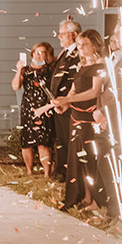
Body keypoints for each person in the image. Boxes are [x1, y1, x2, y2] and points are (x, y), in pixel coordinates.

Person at [53, 29, 109, 211]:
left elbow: (94, 91)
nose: (81, 48)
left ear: (95, 44)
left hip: (89, 115)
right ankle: (85, 195)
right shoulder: (81, 64)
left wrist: (68, 99)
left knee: (89, 158)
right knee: (78, 158)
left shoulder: (100, 64)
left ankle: (96, 200)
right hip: (75, 114)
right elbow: (74, 89)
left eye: (85, 44)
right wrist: (65, 103)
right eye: (78, 44)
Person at [11, 42, 55, 176]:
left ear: (47, 55)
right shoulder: (26, 70)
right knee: (27, 142)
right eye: (36, 52)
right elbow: (15, 86)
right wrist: (19, 70)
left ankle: (47, 173)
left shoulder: (50, 69)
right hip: (28, 108)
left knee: (43, 142)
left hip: (44, 108)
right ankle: (29, 171)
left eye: (41, 52)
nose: (38, 54)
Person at [49, 17, 81, 180]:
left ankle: (71, 173)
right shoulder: (65, 53)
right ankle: (61, 170)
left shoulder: (78, 54)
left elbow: (76, 79)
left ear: (74, 35)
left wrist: (67, 100)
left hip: (70, 104)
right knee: (61, 139)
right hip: (59, 104)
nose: (59, 36)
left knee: (70, 139)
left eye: (62, 33)